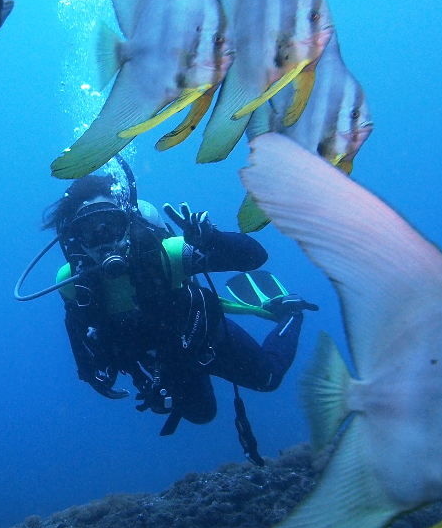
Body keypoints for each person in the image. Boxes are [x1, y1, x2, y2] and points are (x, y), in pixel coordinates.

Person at [39, 163, 313, 441]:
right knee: (202, 413)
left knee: (268, 378)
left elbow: (255, 257)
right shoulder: (73, 282)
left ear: (127, 222)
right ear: (76, 239)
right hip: (168, 361)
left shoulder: (165, 255)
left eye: (111, 224)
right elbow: (74, 325)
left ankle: (291, 312)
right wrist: (86, 370)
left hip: (207, 337)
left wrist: (212, 239)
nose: (103, 240)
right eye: (88, 230)